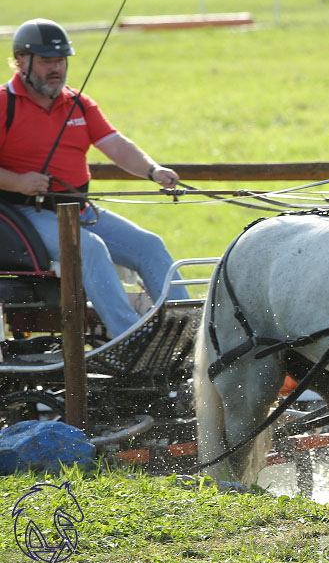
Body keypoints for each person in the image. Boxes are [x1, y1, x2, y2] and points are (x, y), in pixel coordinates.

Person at [0, 18, 189, 339]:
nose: (56, 68)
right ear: (21, 61)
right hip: (23, 214)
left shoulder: (78, 103)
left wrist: (152, 170)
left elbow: (116, 144)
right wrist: (18, 182)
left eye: (60, 60)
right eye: (47, 61)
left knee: (149, 246)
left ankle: (186, 333)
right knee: (89, 248)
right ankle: (130, 339)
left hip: (78, 210)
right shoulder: (4, 103)